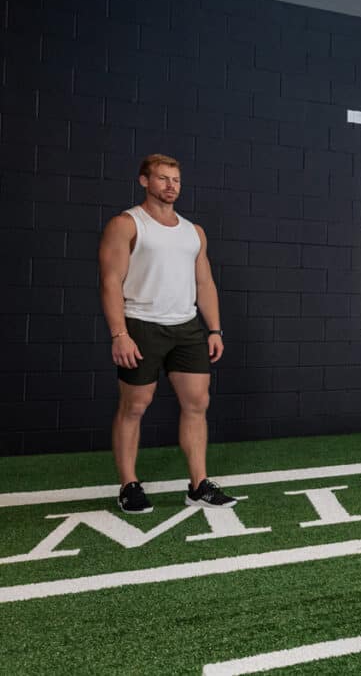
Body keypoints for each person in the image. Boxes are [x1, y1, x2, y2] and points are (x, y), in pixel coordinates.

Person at [98, 154, 237, 513]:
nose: (170, 185)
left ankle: (198, 484)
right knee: (134, 406)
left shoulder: (194, 232)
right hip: (141, 324)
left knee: (197, 404)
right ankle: (129, 485)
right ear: (144, 181)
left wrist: (215, 329)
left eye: (175, 179)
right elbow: (111, 282)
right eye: (162, 179)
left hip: (187, 328)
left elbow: (205, 283)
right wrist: (119, 334)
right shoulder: (127, 224)